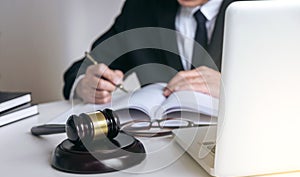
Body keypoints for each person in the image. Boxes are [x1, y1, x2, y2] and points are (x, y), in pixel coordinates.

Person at [63, 0, 247, 104]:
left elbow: (276, 85)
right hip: (159, 154)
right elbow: (82, 69)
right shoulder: (141, 7)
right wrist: (84, 85)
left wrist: (232, 87)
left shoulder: (265, 6)